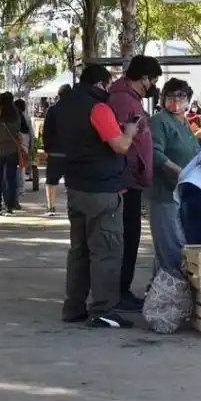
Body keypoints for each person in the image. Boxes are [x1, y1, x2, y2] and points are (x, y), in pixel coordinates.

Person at [59, 64, 138, 328]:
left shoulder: (65, 106)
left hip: (75, 187)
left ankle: (74, 306)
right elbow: (120, 145)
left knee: (79, 251)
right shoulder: (99, 108)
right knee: (106, 251)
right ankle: (103, 309)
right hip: (101, 190)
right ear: (101, 84)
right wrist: (129, 131)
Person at [107, 54, 162, 311]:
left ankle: (121, 289)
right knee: (128, 236)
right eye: (153, 80)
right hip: (125, 180)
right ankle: (119, 292)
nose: (153, 85)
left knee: (132, 235)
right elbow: (120, 141)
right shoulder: (121, 99)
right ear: (143, 79)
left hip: (133, 179)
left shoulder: (131, 99)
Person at [149, 78, 201, 275]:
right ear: (163, 99)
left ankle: (161, 292)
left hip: (183, 193)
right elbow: (155, 154)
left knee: (173, 245)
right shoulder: (160, 121)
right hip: (165, 193)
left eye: (182, 97)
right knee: (170, 247)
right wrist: (181, 172)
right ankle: (169, 294)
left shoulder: (183, 122)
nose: (176, 102)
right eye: (171, 97)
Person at [42, 83, 72, 216]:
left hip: (54, 151)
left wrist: (47, 148)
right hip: (71, 152)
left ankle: (51, 207)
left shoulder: (52, 110)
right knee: (72, 182)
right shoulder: (75, 110)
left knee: (51, 181)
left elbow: (46, 131)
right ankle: (72, 205)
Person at [0, 92, 22, 215]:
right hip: (12, 149)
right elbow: (17, 128)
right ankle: (9, 206)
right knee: (11, 178)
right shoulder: (15, 113)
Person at [14, 98, 34, 203]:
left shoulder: (14, 117)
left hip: (17, 145)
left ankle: (19, 188)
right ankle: (21, 189)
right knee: (21, 167)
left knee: (17, 167)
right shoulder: (27, 118)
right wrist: (31, 146)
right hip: (24, 145)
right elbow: (31, 133)